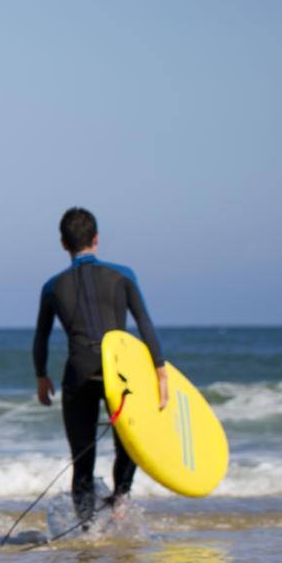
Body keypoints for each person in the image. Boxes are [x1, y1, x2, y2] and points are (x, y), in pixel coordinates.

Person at [33, 207, 168, 527]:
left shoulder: (52, 287)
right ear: (96, 239)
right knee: (129, 444)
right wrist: (160, 370)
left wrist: (41, 375)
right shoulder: (123, 275)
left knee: (82, 459)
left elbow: (41, 337)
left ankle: (86, 530)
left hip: (78, 371)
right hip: (120, 372)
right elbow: (145, 324)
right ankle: (121, 497)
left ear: (64, 244)